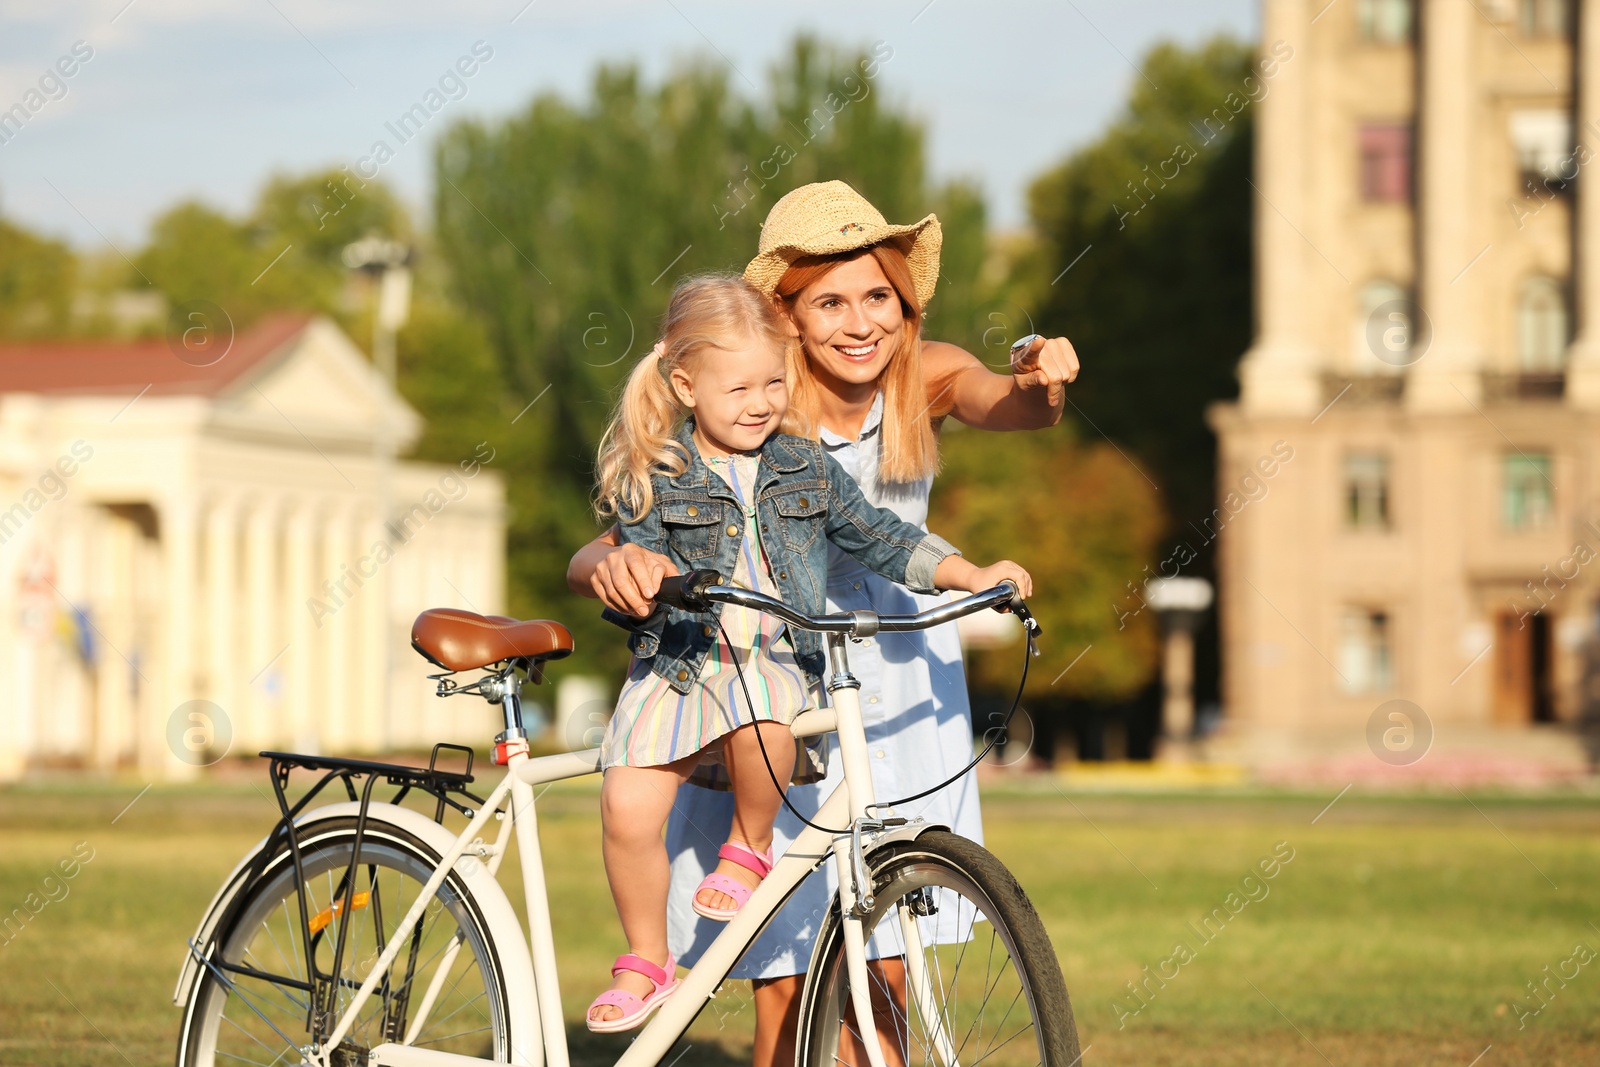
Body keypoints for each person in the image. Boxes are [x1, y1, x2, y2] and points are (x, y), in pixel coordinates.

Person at [568, 181, 1077, 1064]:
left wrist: (1044, 377)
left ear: (904, 301)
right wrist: (605, 568)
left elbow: (1014, 405)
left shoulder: (924, 374)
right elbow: (618, 536)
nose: (860, 322)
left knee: (891, 948)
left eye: (878, 295)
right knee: (789, 959)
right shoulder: (759, 401)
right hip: (771, 656)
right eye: (829, 301)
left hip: (900, 664)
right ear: (787, 314)